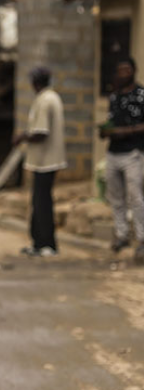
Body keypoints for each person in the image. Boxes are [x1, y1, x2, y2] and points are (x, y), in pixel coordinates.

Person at [15, 67, 66, 257]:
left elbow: (41, 132)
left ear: (36, 82)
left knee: (42, 202)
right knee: (39, 201)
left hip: (46, 160)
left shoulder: (45, 100)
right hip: (44, 160)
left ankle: (47, 244)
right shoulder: (50, 97)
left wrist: (22, 137)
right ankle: (38, 242)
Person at [100, 58, 144, 263]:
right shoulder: (115, 97)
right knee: (116, 198)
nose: (124, 73)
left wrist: (124, 131)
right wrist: (106, 131)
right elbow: (110, 122)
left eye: (127, 69)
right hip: (113, 152)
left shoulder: (141, 95)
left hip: (133, 153)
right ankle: (122, 235)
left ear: (134, 71)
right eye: (120, 70)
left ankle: (142, 239)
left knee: (136, 197)